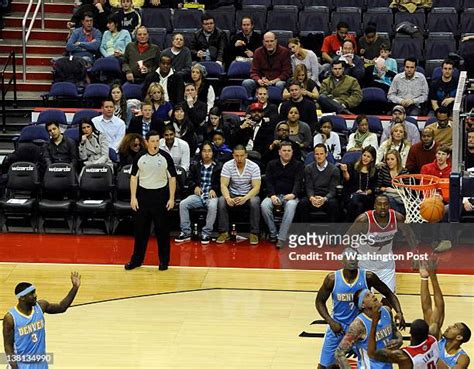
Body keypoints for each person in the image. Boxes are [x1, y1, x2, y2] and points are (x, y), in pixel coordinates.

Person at [316, 248, 405, 369]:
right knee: (324, 366)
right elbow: (319, 301)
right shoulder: (332, 279)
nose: (352, 259)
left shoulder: (368, 277)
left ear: (358, 259)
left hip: (361, 327)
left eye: (354, 257)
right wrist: (330, 321)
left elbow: (388, 293)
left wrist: (399, 312)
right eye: (348, 257)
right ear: (342, 260)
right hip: (338, 326)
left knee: (368, 360)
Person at [366, 261, 442, 369]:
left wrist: (374, 324)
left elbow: (372, 354)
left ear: (410, 334)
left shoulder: (404, 356)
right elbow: (435, 309)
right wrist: (430, 277)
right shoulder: (433, 339)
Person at [3, 272, 81, 369]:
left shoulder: (41, 306)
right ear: (22, 298)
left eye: (35, 292)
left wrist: (75, 288)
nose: (35, 295)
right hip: (21, 364)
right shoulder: (10, 318)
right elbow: (8, 347)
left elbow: (62, 307)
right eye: (31, 294)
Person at [124, 130, 177, 271]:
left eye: (157, 141)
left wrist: (172, 198)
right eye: (152, 141)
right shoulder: (139, 157)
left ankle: (164, 261)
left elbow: (172, 178)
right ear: (147, 142)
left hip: (161, 196)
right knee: (140, 231)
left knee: (162, 232)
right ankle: (136, 261)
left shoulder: (166, 157)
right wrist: (133, 197)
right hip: (143, 196)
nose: (155, 144)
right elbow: (134, 177)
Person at [347, 194, 417, 292]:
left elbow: (410, 235)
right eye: (379, 204)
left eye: (386, 204)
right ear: (374, 206)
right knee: (365, 302)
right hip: (365, 264)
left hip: (386, 264)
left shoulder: (397, 218)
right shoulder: (363, 220)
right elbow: (348, 238)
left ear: (389, 206)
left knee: (389, 299)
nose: (383, 207)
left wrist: (415, 255)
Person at [419, 260, 471, 368]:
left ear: (459, 337)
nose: (449, 326)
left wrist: (432, 355)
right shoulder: (437, 341)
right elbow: (430, 309)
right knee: (433, 326)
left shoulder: (462, 358)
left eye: (455, 327)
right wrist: (427, 277)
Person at [335, 288, 403, 369]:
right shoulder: (358, 325)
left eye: (371, 293)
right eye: (368, 295)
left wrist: (399, 340)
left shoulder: (387, 311)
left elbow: (395, 332)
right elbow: (339, 353)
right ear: (363, 305)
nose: (373, 295)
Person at [175, 142, 221, 244]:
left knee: (213, 206)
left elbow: (221, 182)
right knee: (183, 204)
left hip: (211, 195)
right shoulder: (195, 165)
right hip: (198, 195)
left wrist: (214, 189)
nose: (207, 154)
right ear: (201, 153)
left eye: (209, 151)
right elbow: (189, 180)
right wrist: (195, 186)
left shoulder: (218, 166)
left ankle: (206, 233)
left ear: (213, 153)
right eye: (204, 151)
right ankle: (185, 232)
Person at [261, 141, 304, 249]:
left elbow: (298, 182)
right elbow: (268, 181)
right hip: (274, 195)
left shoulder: (298, 165)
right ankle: (273, 233)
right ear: (279, 152)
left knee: (291, 206)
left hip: (290, 196)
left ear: (292, 152)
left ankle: (281, 237)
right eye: (284, 151)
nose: (286, 153)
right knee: (264, 205)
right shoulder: (271, 164)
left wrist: (293, 194)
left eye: (289, 151)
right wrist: (272, 195)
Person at [217, 145, 261, 245]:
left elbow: (256, 188)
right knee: (221, 200)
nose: (239, 158)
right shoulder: (227, 165)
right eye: (236, 156)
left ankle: (254, 233)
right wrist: (228, 198)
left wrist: (245, 198)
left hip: (248, 194)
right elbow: (223, 185)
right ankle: (223, 232)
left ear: (246, 155)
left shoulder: (254, 166)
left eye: (241, 156)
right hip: (232, 193)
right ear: (233, 155)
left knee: (255, 201)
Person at [297, 144, 340, 223]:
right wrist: (312, 198)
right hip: (313, 196)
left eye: (321, 154)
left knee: (333, 204)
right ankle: (304, 231)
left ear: (326, 154)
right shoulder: (308, 168)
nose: (319, 156)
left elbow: (333, 190)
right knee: (302, 203)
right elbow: (308, 186)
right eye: (317, 154)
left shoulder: (334, 169)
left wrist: (324, 199)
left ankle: (332, 232)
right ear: (314, 155)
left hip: (327, 197)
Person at [242, 32, 291, 97]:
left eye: (271, 41)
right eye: (267, 41)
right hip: (262, 81)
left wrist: (273, 81)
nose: (269, 43)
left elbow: (286, 72)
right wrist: (259, 80)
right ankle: (248, 104)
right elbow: (253, 71)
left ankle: (279, 105)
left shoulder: (284, 52)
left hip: (276, 81)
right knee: (247, 82)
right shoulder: (258, 52)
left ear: (276, 41)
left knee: (280, 84)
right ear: (263, 42)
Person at [340, 146, 378, 221]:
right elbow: (347, 179)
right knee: (357, 204)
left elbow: (373, 188)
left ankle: (350, 226)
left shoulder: (374, 170)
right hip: (351, 194)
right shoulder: (353, 166)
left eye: (368, 156)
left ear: (372, 159)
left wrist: (365, 192)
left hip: (366, 197)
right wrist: (345, 171)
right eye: (364, 155)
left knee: (356, 200)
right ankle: (358, 227)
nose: (365, 158)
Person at [376, 150, 409, 214]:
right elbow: (377, 187)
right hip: (386, 197)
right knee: (390, 200)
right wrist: (382, 189)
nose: (389, 162)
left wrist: (393, 190)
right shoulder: (384, 170)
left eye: (392, 159)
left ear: (397, 160)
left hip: (401, 199)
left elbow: (407, 191)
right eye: (388, 159)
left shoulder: (404, 172)